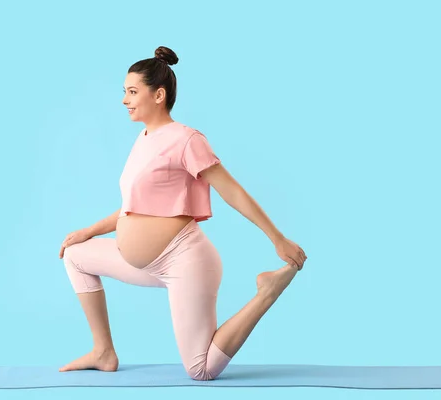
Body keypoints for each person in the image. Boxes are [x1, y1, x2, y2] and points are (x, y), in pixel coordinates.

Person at [58, 46, 307, 381]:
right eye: (124, 92)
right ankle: (103, 352)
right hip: (144, 262)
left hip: (185, 261)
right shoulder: (144, 138)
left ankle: (268, 290)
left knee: (200, 369)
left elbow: (231, 190)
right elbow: (135, 207)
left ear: (158, 95)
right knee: (74, 255)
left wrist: (277, 239)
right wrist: (88, 231)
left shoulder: (186, 140)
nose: (124, 100)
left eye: (132, 92)